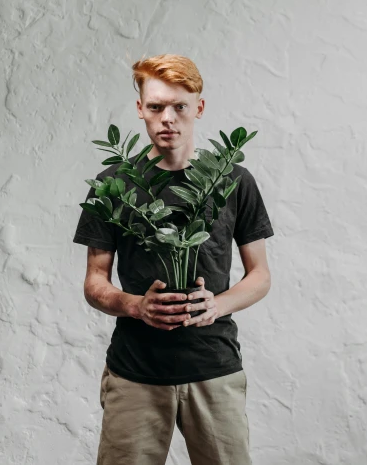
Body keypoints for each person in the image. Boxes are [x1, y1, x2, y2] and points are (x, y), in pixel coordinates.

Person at [72, 54, 274, 465]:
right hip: (135, 373)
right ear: (140, 109)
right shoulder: (114, 186)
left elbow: (261, 276)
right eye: (156, 106)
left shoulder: (231, 180)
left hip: (214, 366)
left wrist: (218, 305)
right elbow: (95, 281)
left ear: (198, 108)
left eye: (179, 106)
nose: (168, 118)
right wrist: (135, 306)